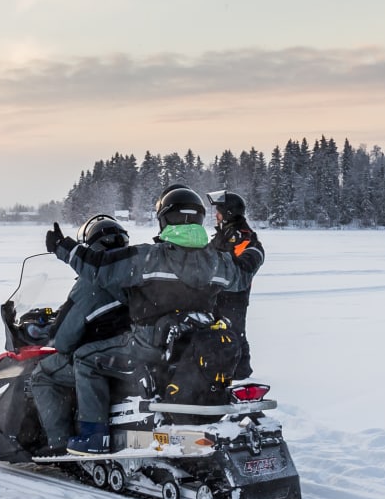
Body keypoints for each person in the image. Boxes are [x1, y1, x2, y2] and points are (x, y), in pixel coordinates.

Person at [60, 188, 251, 455]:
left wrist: (64, 248)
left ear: (164, 219)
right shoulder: (215, 261)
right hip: (191, 344)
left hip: (148, 347)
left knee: (84, 358)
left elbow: (100, 268)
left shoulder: (149, 257)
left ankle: (94, 435)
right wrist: (252, 253)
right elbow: (242, 276)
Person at [29, 215, 135, 453]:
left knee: (43, 374)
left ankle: (59, 443)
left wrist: (52, 329)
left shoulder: (91, 284)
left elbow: (63, 340)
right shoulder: (135, 272)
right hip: (138, 350)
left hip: (108, 356)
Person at [208, 190, 265, 378]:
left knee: (234, 334)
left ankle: (241, 376)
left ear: (229, 213)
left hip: (234, 297)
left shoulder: (248, 241)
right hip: (212, 296)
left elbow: (247, 268)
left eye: (219, 211)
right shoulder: (220, 237)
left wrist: (222, 262)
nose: (215, 216)